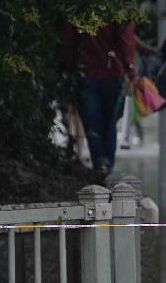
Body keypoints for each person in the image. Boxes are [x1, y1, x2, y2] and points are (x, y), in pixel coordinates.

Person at [58, 22, 136, 176]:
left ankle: (101, 163)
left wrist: (63, 66)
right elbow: (125, 39)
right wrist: (130, 69)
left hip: (87, 72)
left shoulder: (81, 5)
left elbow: (68, 39)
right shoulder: (118, 8)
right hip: (110, 73)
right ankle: (105, 165)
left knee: (92, 122)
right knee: (108, 122)